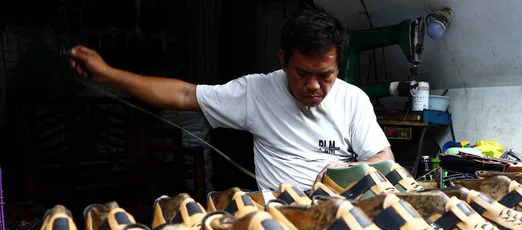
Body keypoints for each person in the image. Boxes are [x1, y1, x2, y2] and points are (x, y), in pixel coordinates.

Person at [68, 4, 393, 191]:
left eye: (325, 75)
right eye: (302, 73)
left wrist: (346, 171)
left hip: (342, 215)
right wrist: (106, 73)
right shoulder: (256, 91)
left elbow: (385, 161)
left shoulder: (353, 100)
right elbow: (183, 94)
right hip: (279, 219)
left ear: (338, 67)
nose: (313, 86)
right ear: (282, 60)